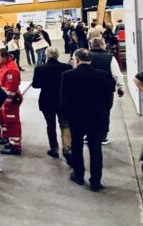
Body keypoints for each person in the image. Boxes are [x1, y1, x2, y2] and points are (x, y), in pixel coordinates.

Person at [60, 49, 114, 192]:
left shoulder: (68, 75)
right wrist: (105, 112)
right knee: (96, 149)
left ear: (77, 60)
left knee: (77, 147)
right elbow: (109, 97)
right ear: (90, 60)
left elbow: (64, 99)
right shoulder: (103, 75)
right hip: (97, 118)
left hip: (77, 118)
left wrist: (67, 117)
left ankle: (78, 175)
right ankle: (95, 182)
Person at [31, 46, 71, 159]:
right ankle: (67, 148)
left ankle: (54, 149)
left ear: (46, 55)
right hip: (63, 100)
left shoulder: (39, 68)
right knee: (65, 125)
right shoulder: (67, 67)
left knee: (50, 125)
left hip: (46, 100)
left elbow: (35, 85)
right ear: (58, 55)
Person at [89, 37, 124, 144]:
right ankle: (103, 136)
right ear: (101, 45)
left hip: (89, 90)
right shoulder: (110, 58)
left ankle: (89, 135)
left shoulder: (86, 56)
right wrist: (120, 87)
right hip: (105, 90)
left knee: (89, 112)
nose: (105, 45)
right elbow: (117, 74)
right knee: (104, 113)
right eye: (104, 43)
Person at [0, 46, 22, 154]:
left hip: (11, 100)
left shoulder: (11, 69)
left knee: (12, 123)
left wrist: (5, 104)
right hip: (7, 99)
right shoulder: (6, 65)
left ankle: (15, 146)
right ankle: (11, 141)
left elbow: (11, 89)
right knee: (8, 122)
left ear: (4, 57)